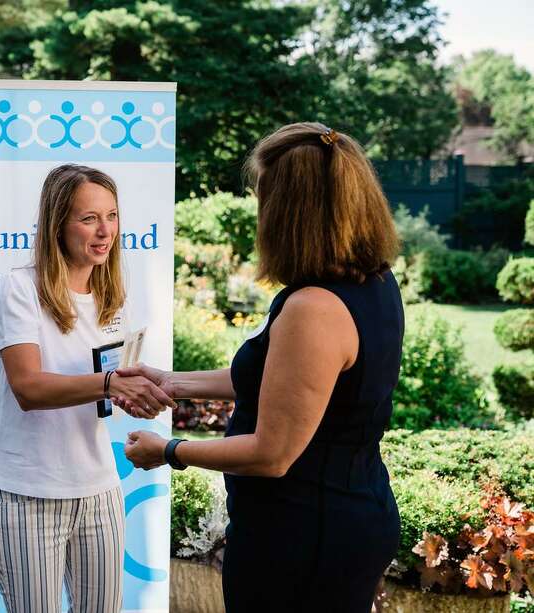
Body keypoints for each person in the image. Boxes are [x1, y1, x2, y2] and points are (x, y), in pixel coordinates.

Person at [122, 122, 403, 611]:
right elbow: (286, 384)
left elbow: (272, 454)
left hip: (303, 536)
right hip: (342, 514)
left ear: (289, 213)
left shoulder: (314, 308)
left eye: (262, 199)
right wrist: (172, 382)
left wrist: (168, 450)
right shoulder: (371, 282)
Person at [0, 164, 176, 613]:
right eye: (88, 218)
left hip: (99, 492)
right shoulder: (19, 288)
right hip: (29, 495)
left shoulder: (113, 297)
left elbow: (109, 388)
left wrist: (138, 395)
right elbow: (28, 388)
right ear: (57, 223)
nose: (104, 230)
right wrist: (111, 383)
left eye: (111, 216)